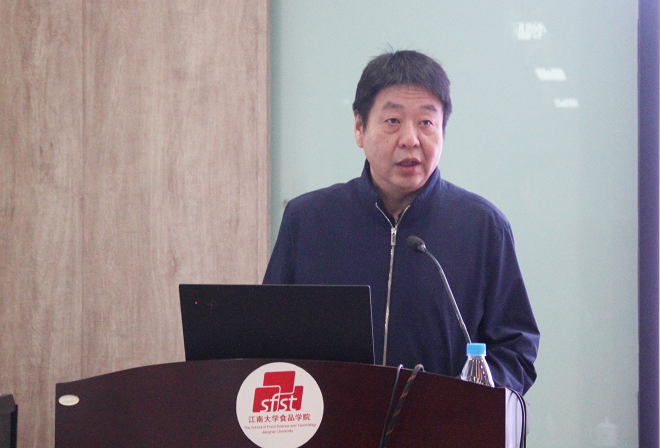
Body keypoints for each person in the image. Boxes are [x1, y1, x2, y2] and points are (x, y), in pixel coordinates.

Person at [263, 50, 539, 395]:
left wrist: (468, 398)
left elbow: (516, 350)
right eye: (393, 121)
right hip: (333, 420)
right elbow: (270, 341)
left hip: (440, 422)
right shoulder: (308, 221)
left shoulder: (483, 227)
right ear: (360, 128)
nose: (410, 139)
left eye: (426, 122)